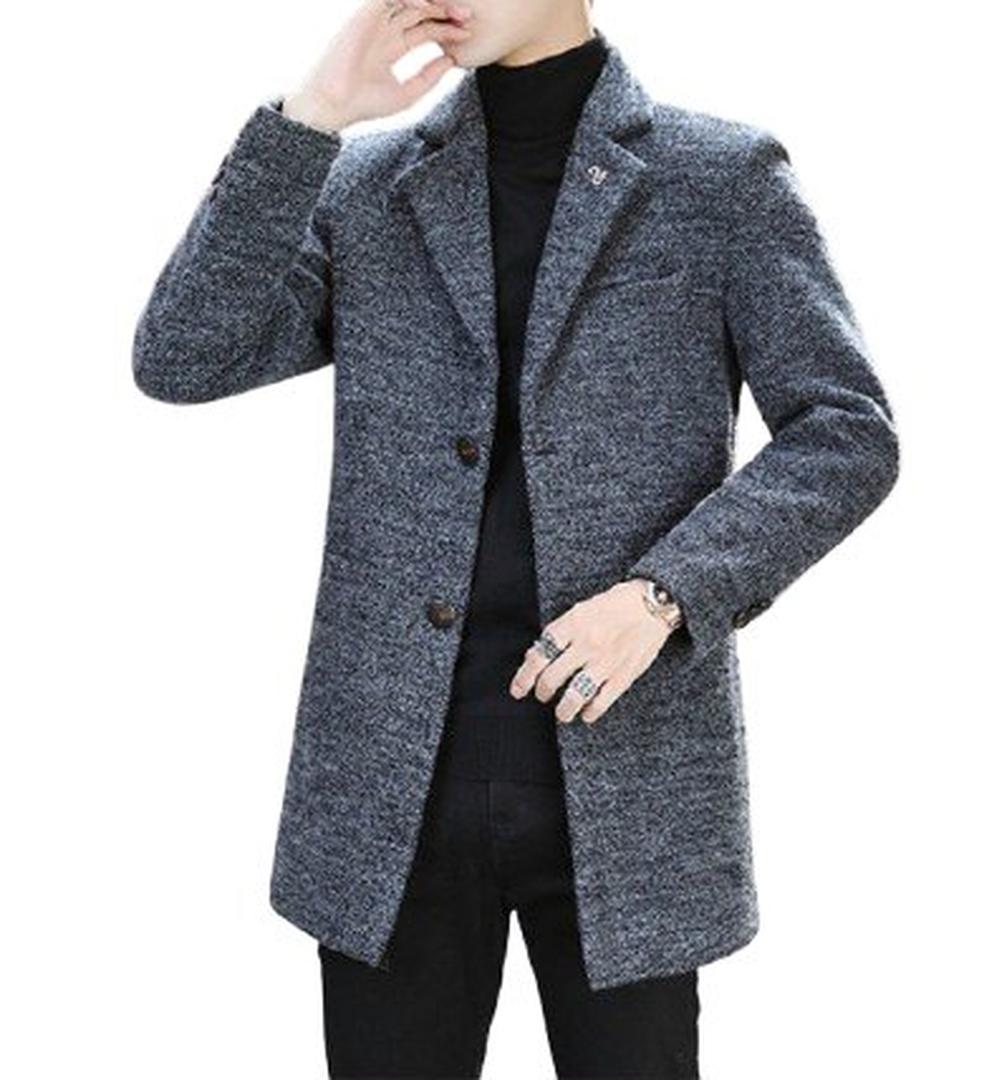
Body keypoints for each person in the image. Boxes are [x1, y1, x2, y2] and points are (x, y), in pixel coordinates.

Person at [133, 1, 899, 1076]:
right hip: (391, 794)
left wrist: (666, 595)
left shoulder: (718, 179)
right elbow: (182, 356)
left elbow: (846, 433)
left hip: (626, 789)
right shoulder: (369, 188)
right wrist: (312, 117)